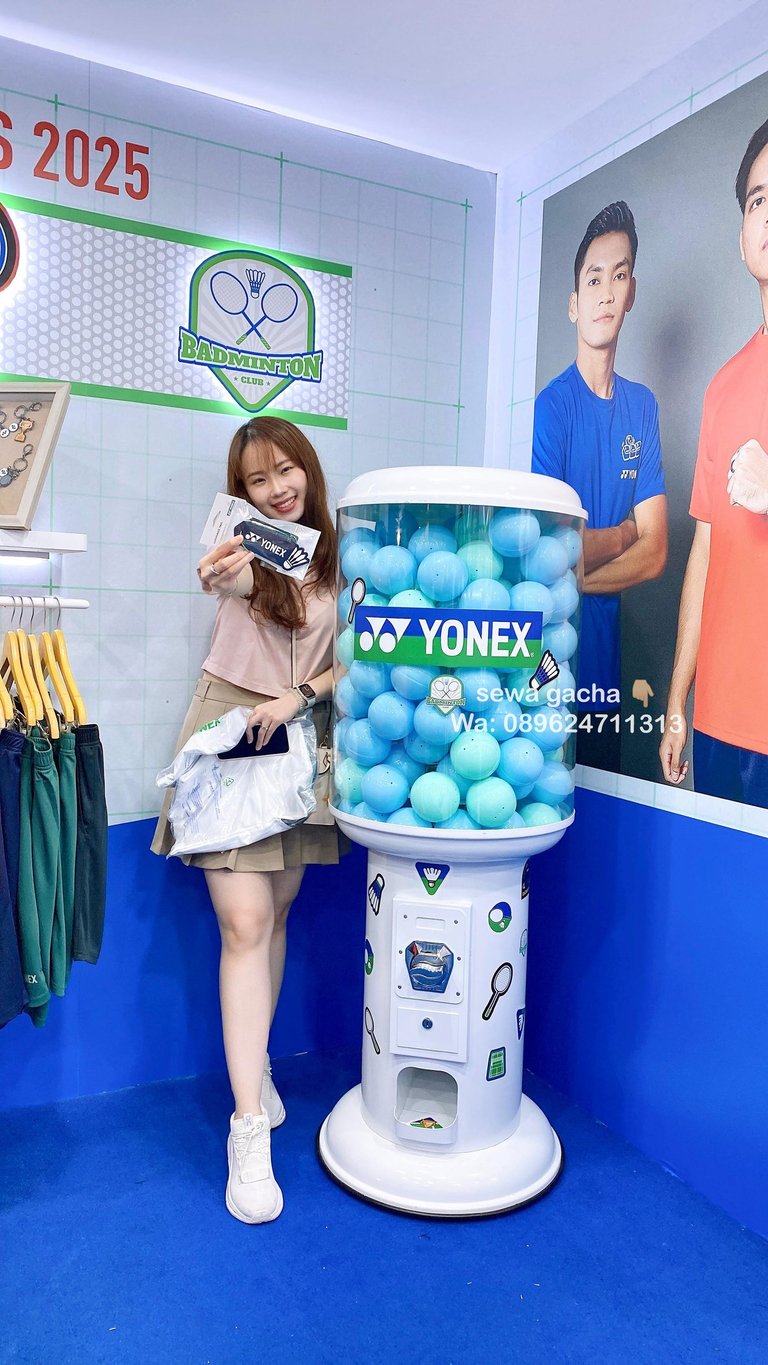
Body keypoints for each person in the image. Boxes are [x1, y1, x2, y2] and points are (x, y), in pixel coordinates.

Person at [152, 416, 346, 1224]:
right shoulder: (244, 548)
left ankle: (255, 1062)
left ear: (309, 469)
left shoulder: (341, 554)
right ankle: (246, 1129)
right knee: (245, 921)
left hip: (298, 730)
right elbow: (217, 575)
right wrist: (221, 570)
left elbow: (354, 658)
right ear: (242, 493)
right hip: (234, 726)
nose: (277, 488)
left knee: (278, 915)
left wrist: (299, 695)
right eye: (258, 479)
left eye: (286, 469)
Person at [533, 200, 668, 770]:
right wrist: (622, 535)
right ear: (574, 304)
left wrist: (577, 575)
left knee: (604, 794)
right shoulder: (553, 407)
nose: (606, 293)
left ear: (631, 292)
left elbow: (656, 553)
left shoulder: (642, 406)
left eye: (619, 276)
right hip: (547, 663)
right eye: (594, 279)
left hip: (606, 670)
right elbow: (547, 552)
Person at [660, 119, 768, 807]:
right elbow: (705, 552)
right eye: (759, 200)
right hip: (720, 719)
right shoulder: (723, 386)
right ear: (742, 233)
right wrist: (677, 699)